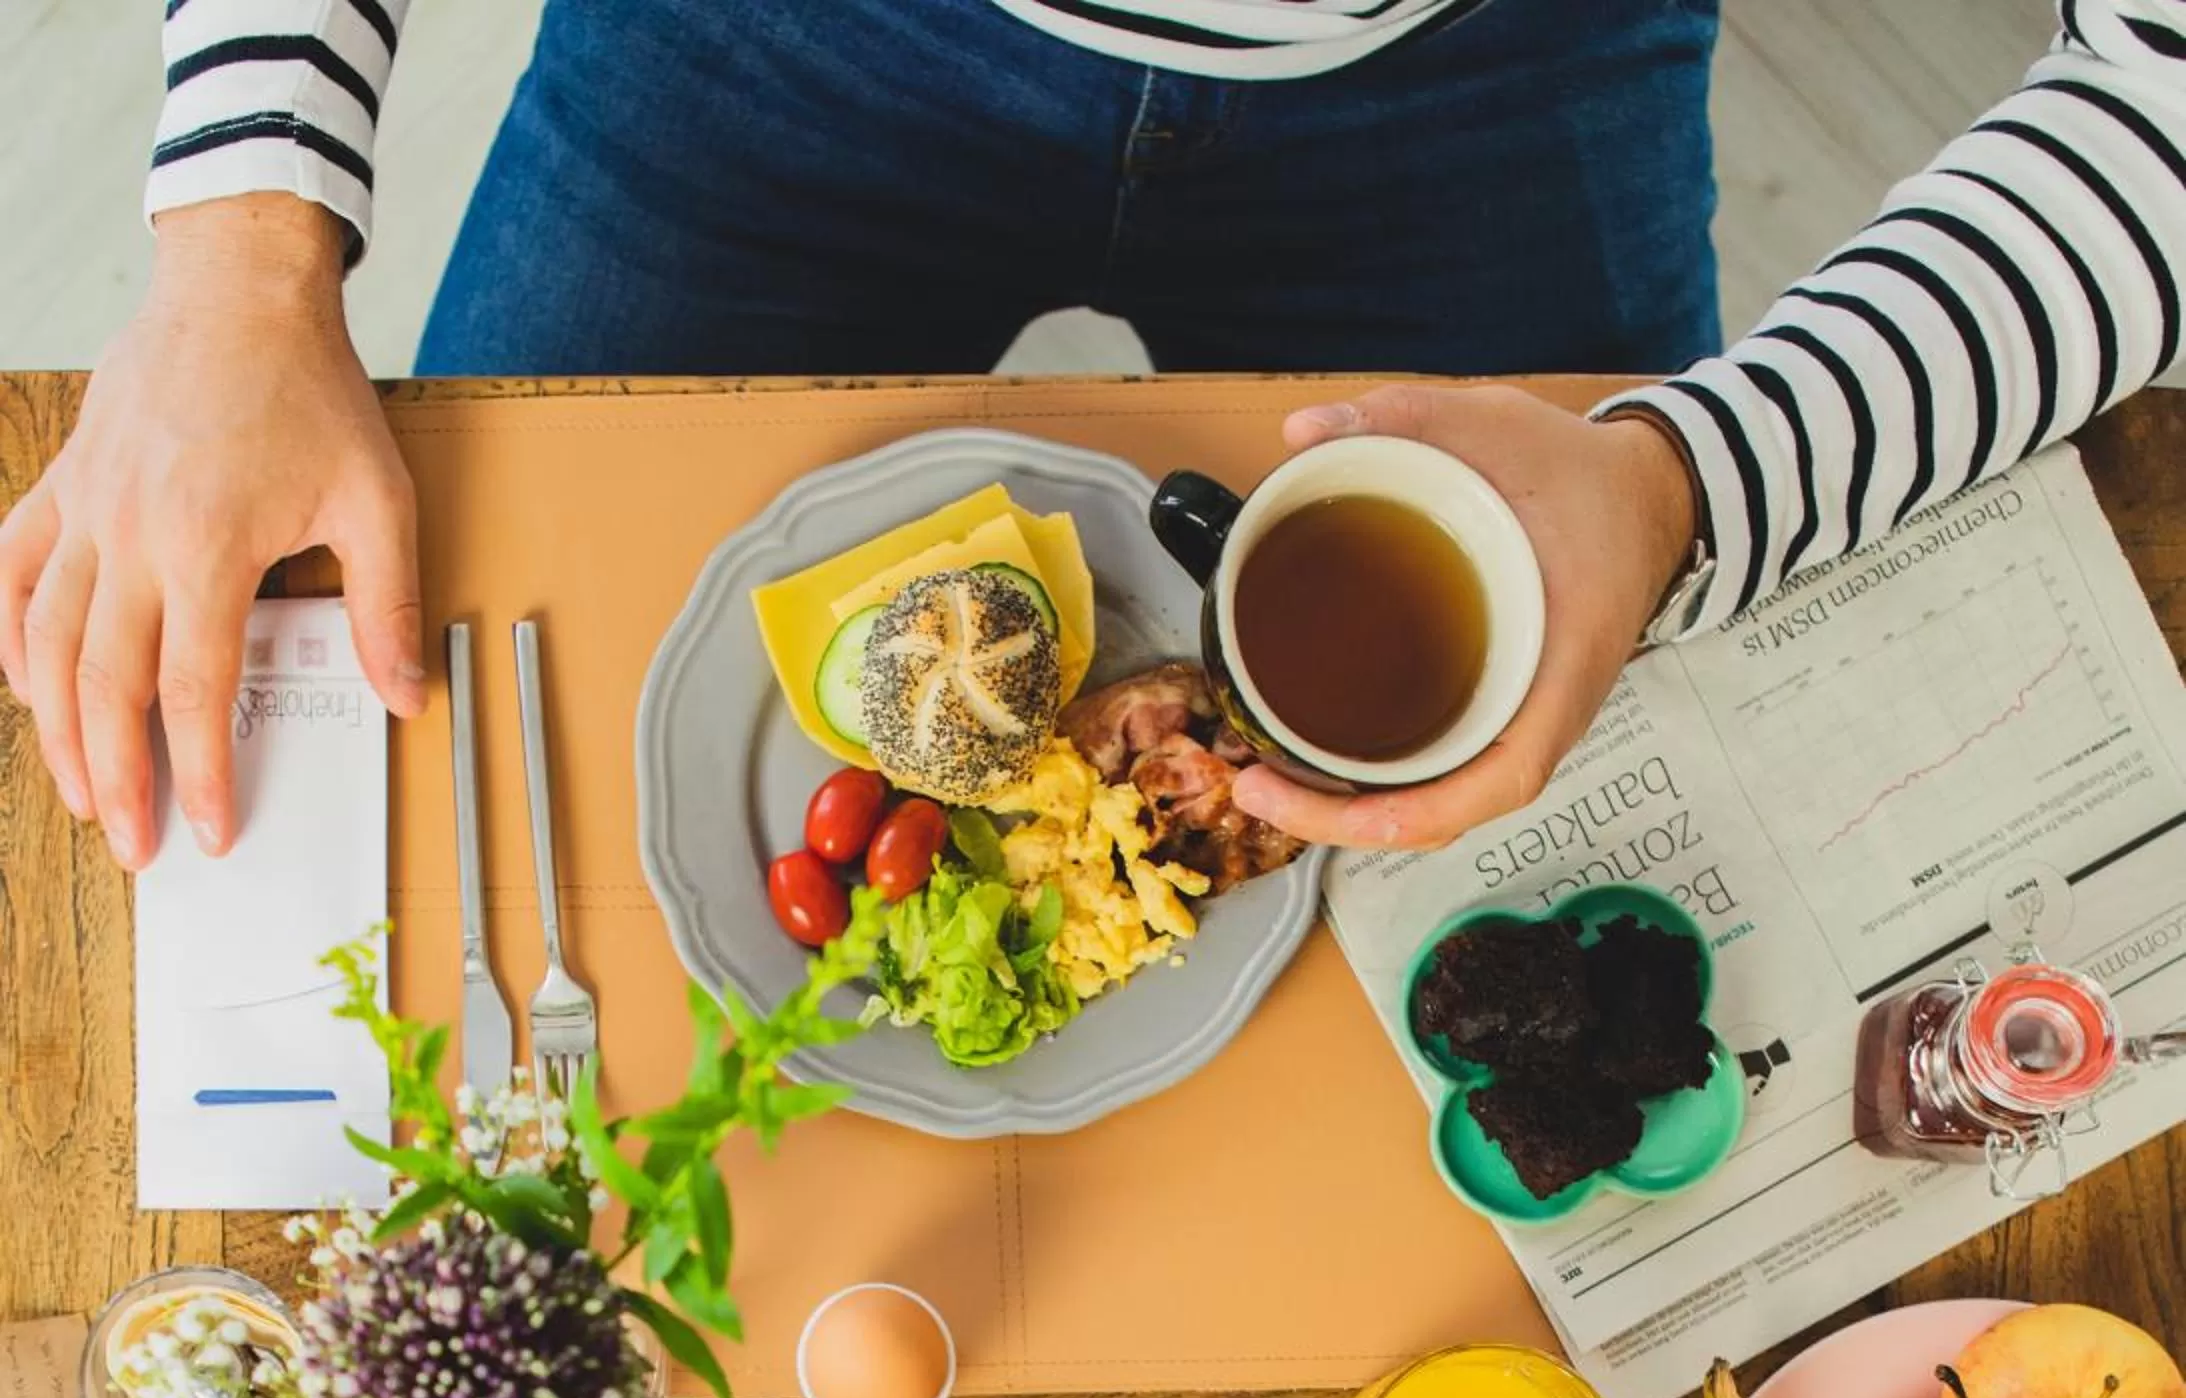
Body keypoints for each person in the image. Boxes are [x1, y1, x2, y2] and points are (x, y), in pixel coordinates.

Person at [1, 6, 2182, 874]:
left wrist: (1690, 476)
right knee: (440, 774)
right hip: (768, 42)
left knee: (1555, 891)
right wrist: (239, 245)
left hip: (1497, 61)